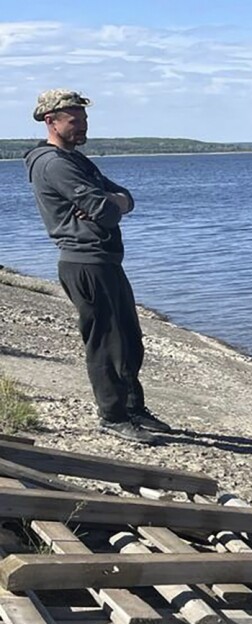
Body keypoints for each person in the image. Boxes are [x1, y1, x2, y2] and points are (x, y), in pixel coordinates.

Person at [24, 89, 170, 445]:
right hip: (84, 261)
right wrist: (108, 203)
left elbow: (123, 198)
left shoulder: (77, 161)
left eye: (84, 119)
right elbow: (105, 212)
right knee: (105, 343)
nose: (82, 126)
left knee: (130, 341)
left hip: (105, 261)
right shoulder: (54, 163)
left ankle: (134, 408)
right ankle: (113, 416)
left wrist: (110, 201)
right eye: (74, 120)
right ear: (51, 121)